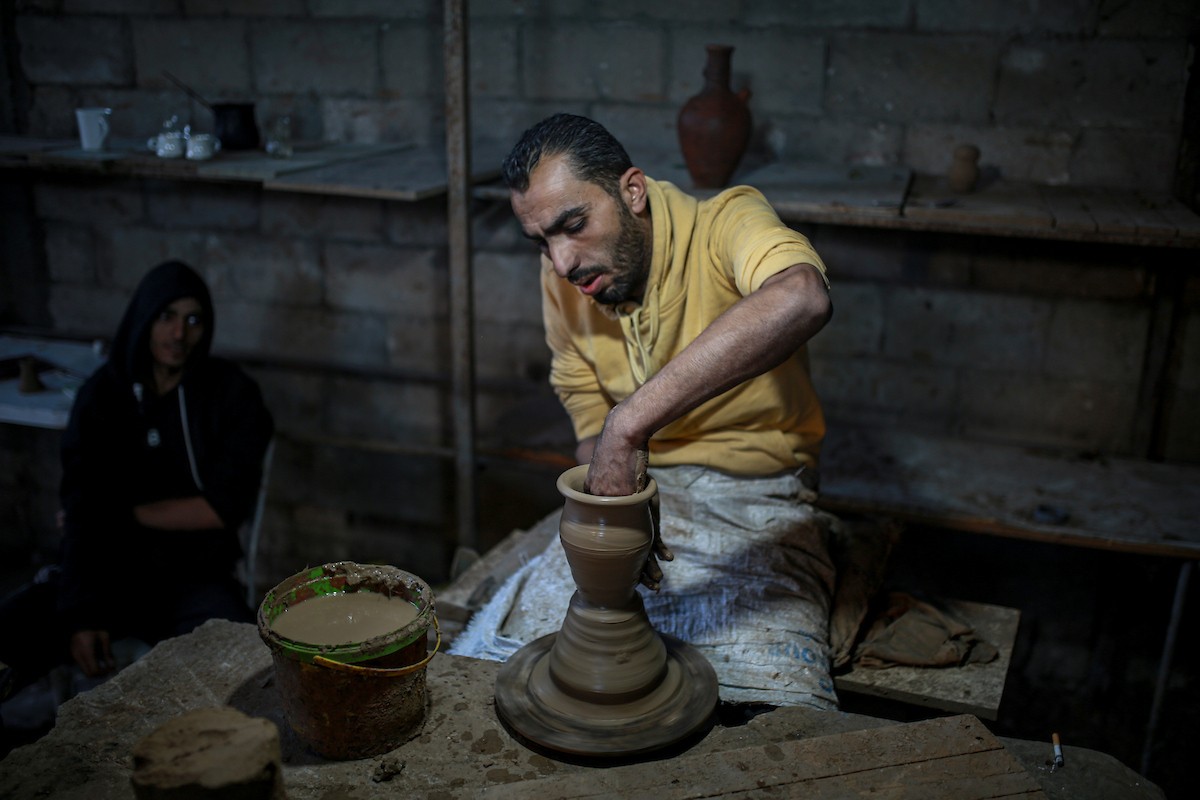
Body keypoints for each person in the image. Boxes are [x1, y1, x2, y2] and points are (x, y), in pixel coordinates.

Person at [451, 113, 843, 709]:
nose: (562, 262)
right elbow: (581, 393)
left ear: (631, 191)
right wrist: (610, 484)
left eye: (573, 226)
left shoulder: (725, 222)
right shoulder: (564, 275)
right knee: (503, 667)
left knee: (773, 705)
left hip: (758, 496)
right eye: (542, 242)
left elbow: (801, 296)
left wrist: (628, 424)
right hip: (643, 490)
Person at [0, 260, 274, 698]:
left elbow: (221, 508)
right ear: (143, 317)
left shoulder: (230, 394)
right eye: (166, 316)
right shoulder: (103, 397)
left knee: (253, 665)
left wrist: (116, 514)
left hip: (193, 574)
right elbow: (82, 503)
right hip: (108, 566)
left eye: (193, 320)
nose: (178, 334)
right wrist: (83, 612)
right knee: (13, 631)